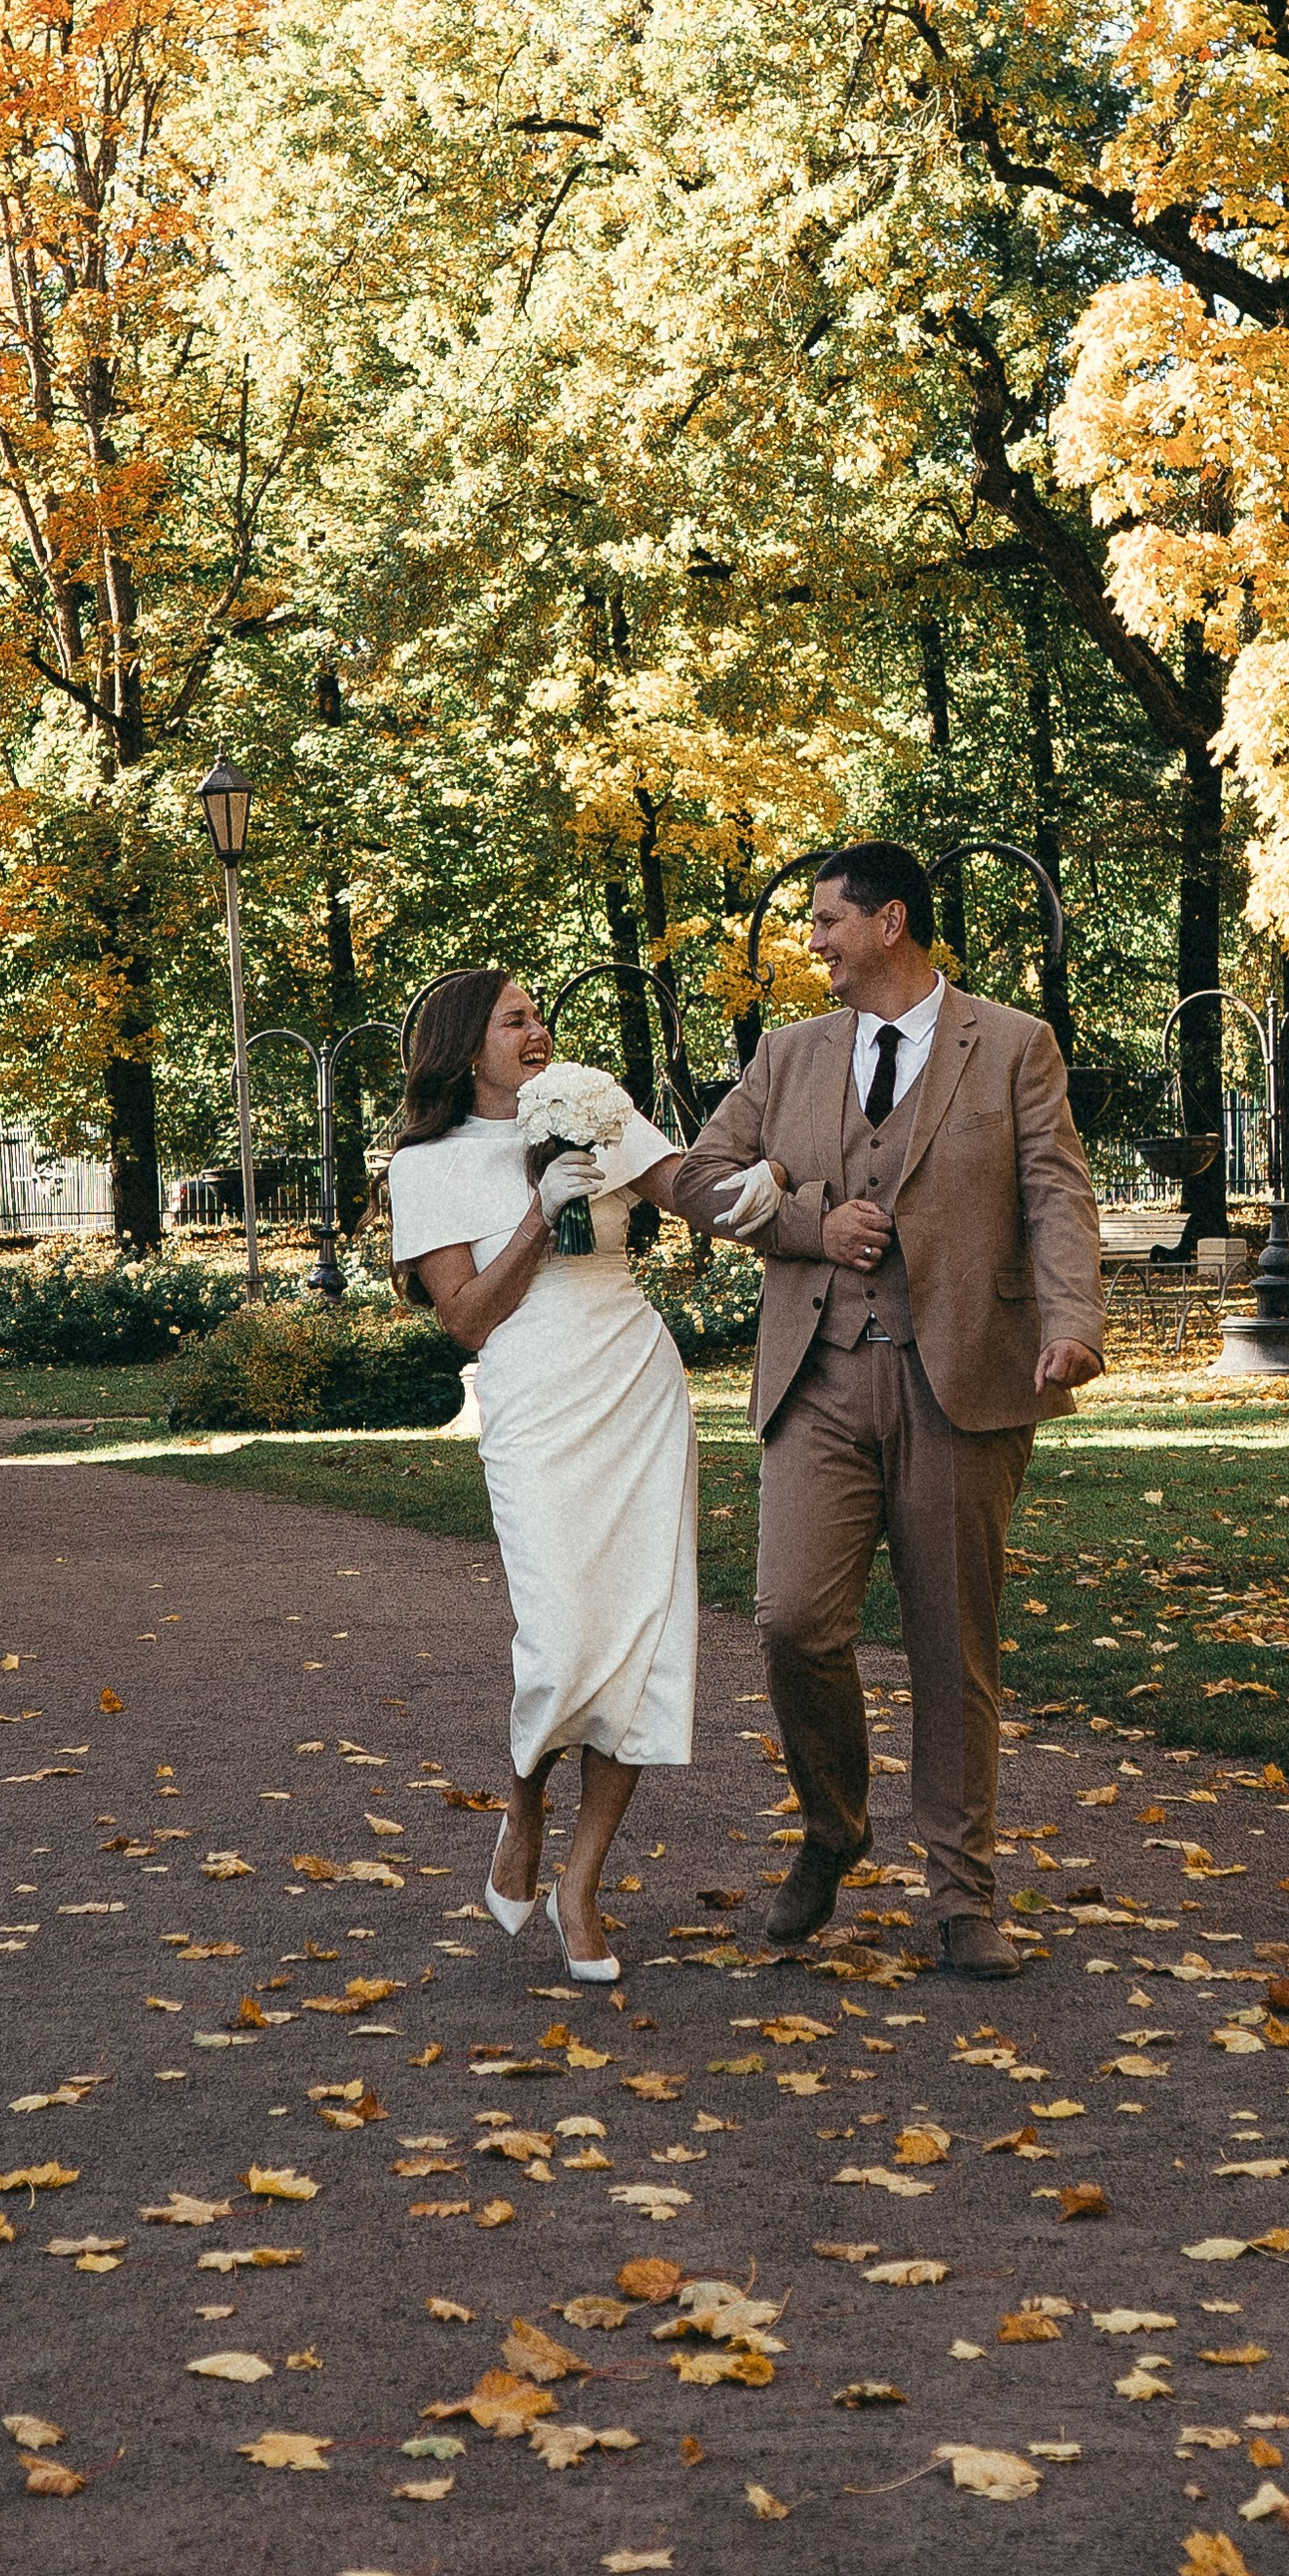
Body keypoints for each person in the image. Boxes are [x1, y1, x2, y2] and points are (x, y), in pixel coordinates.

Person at [673, 841, 1105, 1979]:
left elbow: (1056, 1192)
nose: (812, 941)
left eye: (826, 921)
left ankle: (964, 1898)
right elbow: (699, 1179)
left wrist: (1073, 1322)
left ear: (889, 922)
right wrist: (810, 1222)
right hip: (816, 1380)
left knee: (952, 1650)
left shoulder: (1011, 1044)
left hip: (959, 1382)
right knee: (791, 1622)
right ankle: (834, 1826)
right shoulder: (787, 1054)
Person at [384, 967, 698, 1983]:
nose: (537, 1031)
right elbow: (468, 1319)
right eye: (514, 1019)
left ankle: (581, 1884)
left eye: (538, 1017)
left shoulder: (596, 1109)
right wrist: (536, 1212)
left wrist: (773, 1170)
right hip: (535, 1406)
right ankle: (522, 1814)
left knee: (638, 1643)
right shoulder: (427, 1164)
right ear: (464, 1045)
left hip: (634, 1386)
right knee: (562, 1646)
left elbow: (694, 1191)